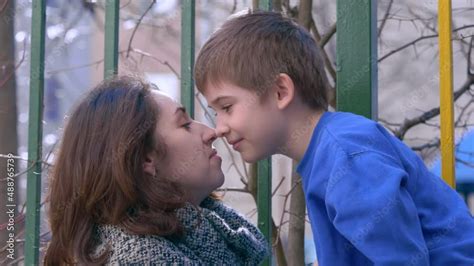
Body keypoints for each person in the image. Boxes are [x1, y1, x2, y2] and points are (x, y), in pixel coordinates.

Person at [194, 10, 474, 265]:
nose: (219, 127)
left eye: (226, 107)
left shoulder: (346, 156)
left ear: (280, 91)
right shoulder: (330, 152)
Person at [43, 75, 269, 265]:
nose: (211, 132)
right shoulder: (139, 259)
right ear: (145, 159)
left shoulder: (209, 232)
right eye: (185, 125)